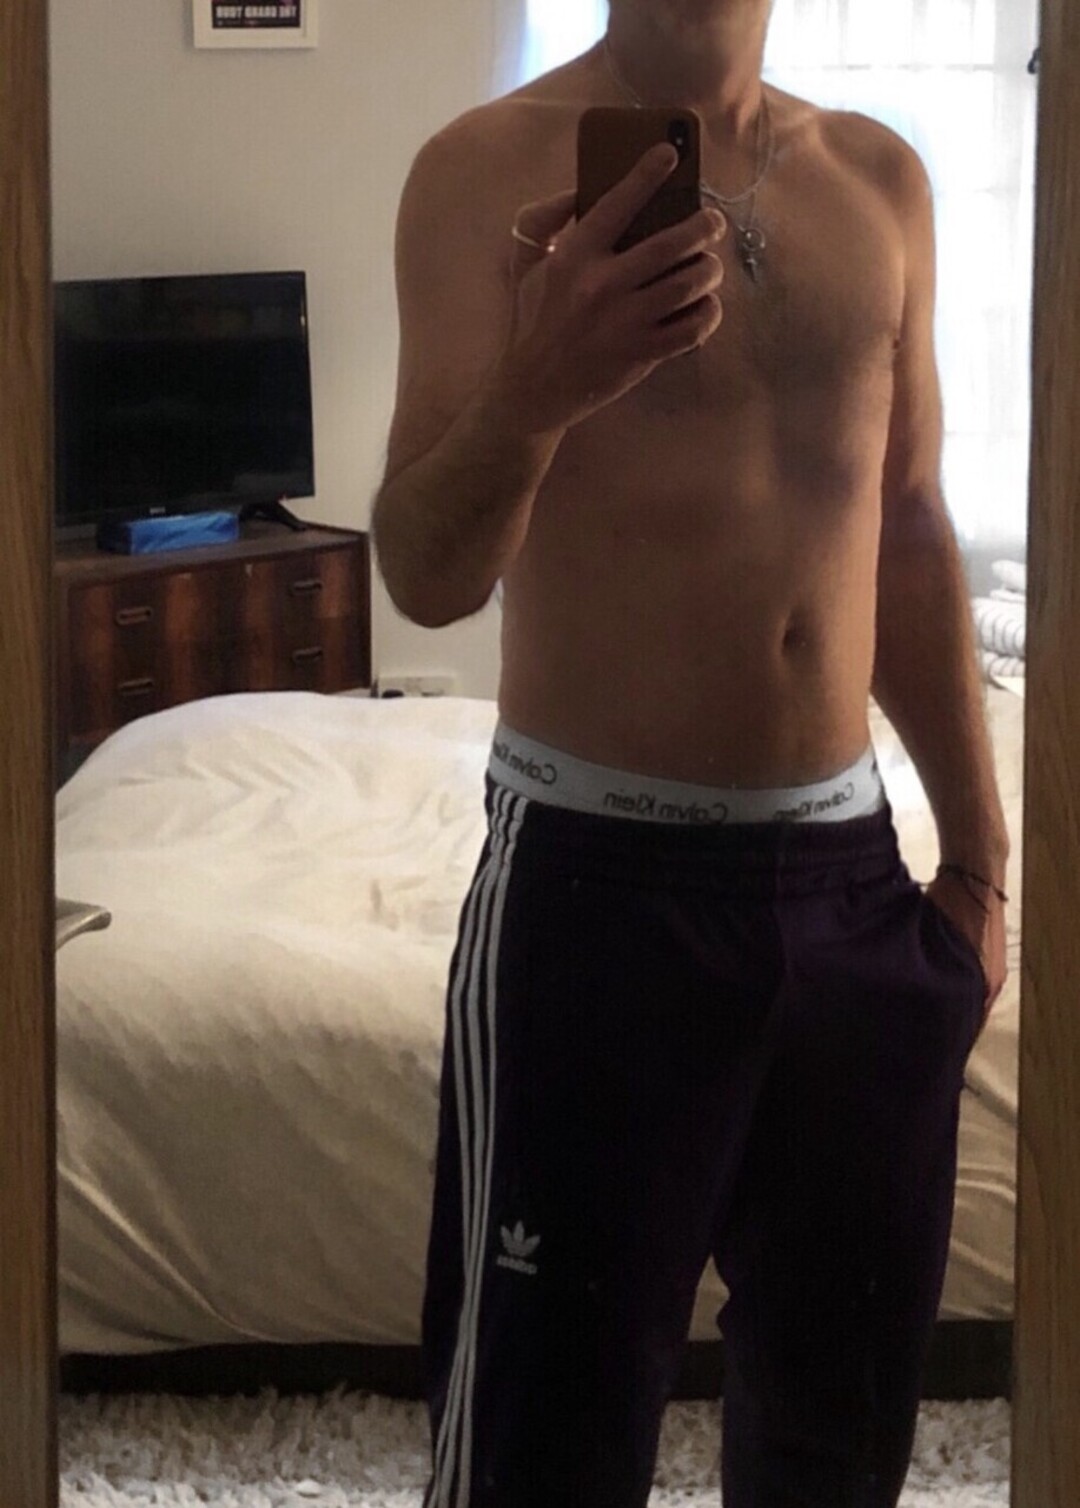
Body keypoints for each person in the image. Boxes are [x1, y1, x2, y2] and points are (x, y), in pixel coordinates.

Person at [372, 2, 1011, 1503]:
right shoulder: (480, 172)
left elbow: (910, 525)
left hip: (854, 891)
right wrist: (542, 383)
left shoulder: (881, 179)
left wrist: (980, 869)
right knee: (539, 1448)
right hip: (594, 890)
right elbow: (423, 574)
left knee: (838, 1439)